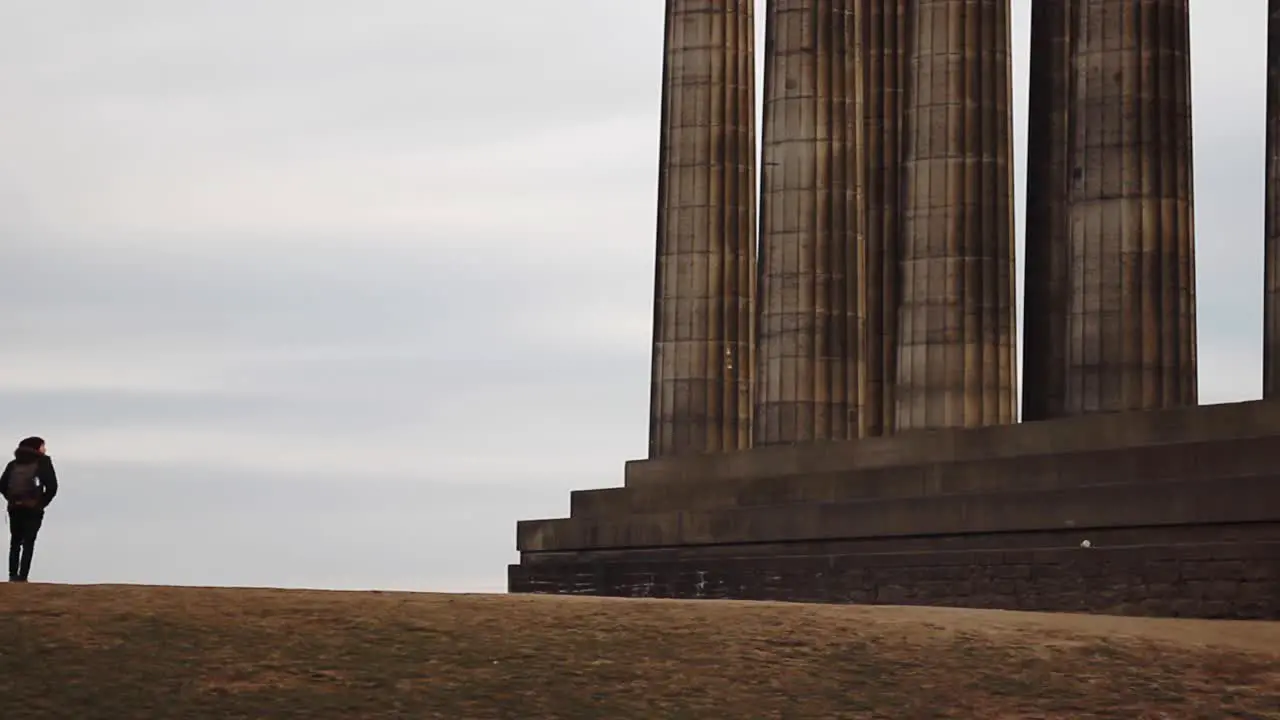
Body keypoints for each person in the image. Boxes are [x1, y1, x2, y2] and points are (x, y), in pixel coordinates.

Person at [0, 437, 58, 582]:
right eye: (43, 446)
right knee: (28, 542)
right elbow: (52, 486)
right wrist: (41, 503)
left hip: (15, 507)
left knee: (15, 541)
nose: (45, 449)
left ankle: (12, 575)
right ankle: (23, 576)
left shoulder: (13, 464)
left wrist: (12, 500)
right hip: (33, 508)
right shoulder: (43, 462)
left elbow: (2, 485)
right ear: (37, 448)